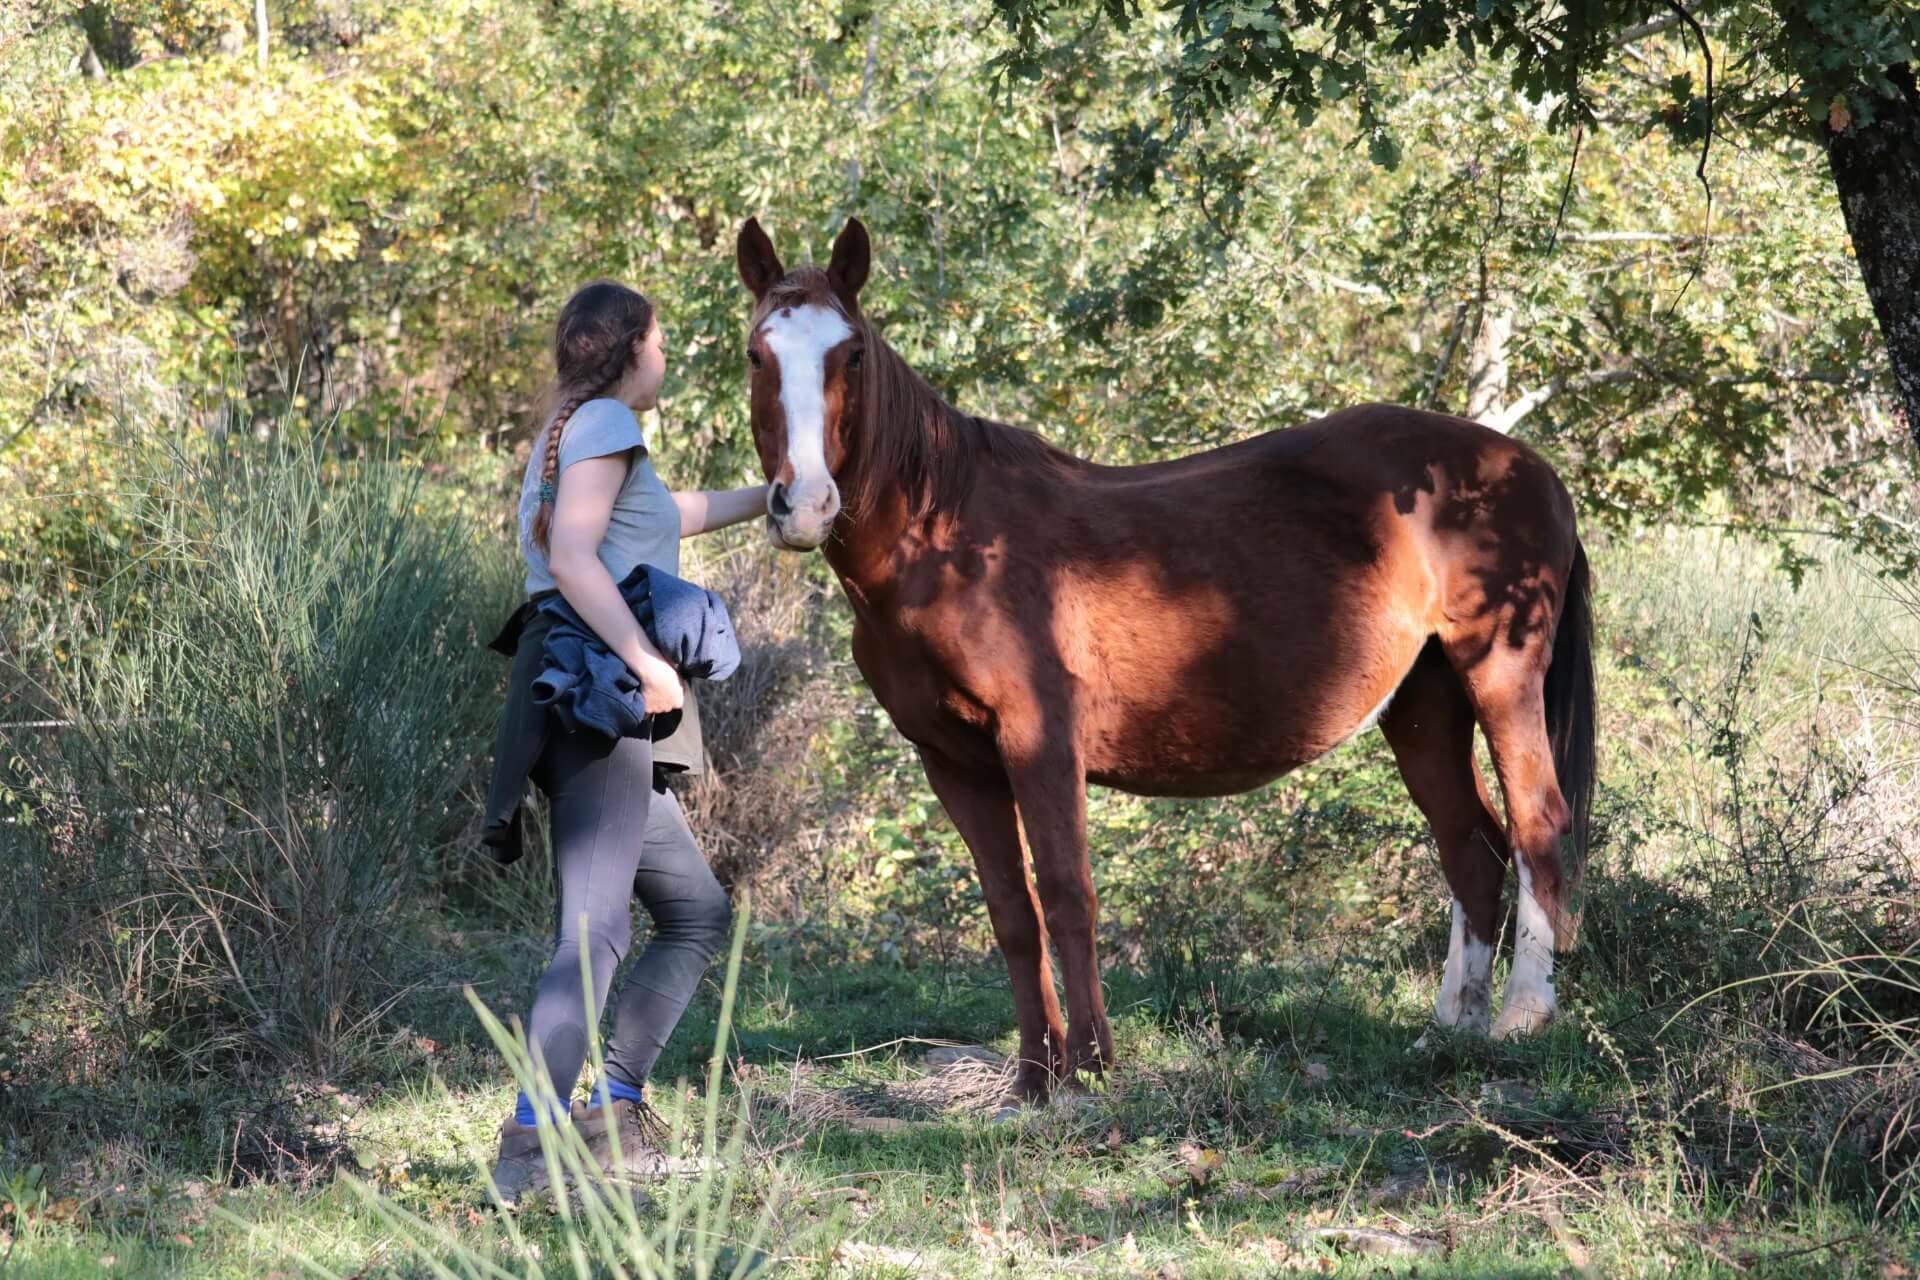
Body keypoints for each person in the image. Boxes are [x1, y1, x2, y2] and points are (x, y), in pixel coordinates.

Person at [484, 280, 768, 1201]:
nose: (669, 354)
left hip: (585, 699)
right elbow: (572, 559)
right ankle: (531, 1145)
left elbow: (657, 518)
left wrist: (768, 497)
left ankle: (608, 1114)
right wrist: (648, 658)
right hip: (597, 699)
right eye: (663, 338)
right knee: (594, 930)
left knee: (693, 912)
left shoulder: (580, 429)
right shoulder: (605, 423)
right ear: (631, 347)